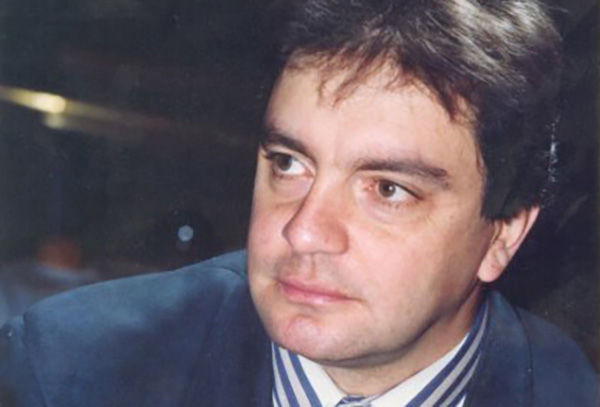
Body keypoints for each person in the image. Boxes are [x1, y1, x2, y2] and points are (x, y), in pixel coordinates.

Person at [0, 0, 597, 406]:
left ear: (502, 236)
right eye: (289, 163)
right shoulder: (68, 371)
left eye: (387, 189)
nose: (303, 231)